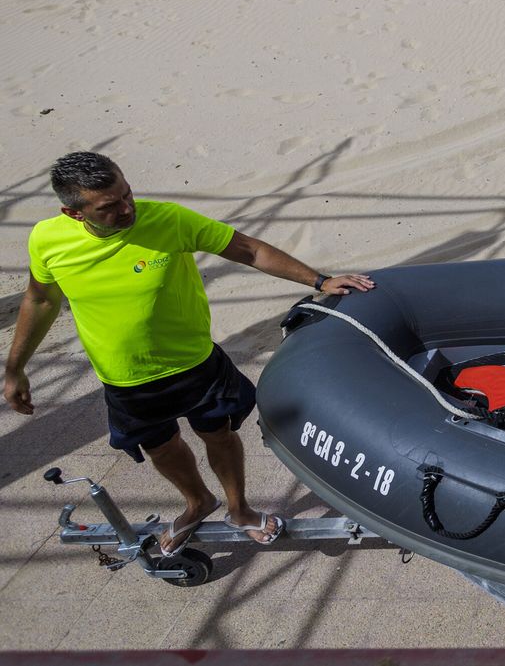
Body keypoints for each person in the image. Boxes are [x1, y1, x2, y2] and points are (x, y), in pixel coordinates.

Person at [5, 152, 375, 553]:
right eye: (109, 206)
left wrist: (319, 280)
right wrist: (15, 368)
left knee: (219, 435)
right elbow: (40, 300)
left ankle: (240, 509)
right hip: (125, 378)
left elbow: (248, 249)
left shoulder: (168, 219)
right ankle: (198, 501)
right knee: (161, 447)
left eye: (127, 194)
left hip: (194, 365)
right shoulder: (47, 239)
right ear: (73, 213)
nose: (127, 208)